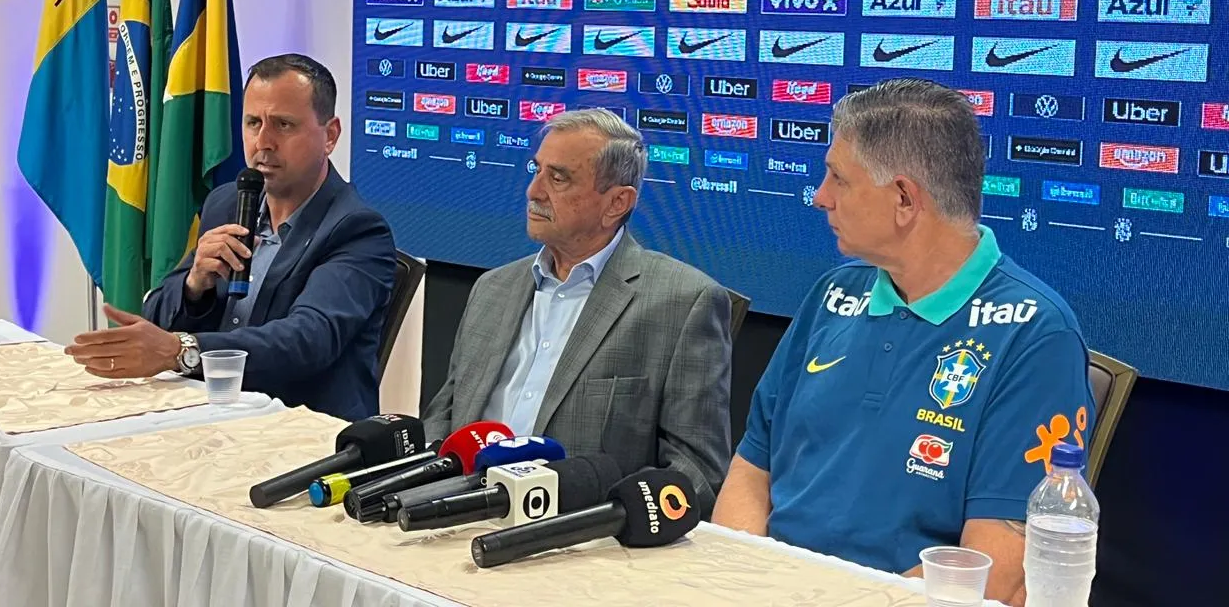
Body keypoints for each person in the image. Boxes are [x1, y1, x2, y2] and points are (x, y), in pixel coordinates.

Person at [712, 78, 1094, 605]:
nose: (820, 197)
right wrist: (738, 582)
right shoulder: (832, 293)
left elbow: (996, 572)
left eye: (838, 179)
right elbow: (752, 468)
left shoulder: (1035, 334)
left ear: (903, 198)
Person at [423, 108, 733, 514]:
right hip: (458, 512)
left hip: (578, 541)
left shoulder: (683, 304)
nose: (533, 191)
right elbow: (442, 420)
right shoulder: (492, 289)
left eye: (558, 178)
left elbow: (695, 476)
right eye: (536, 171)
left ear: (616, 203)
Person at [65, 54, 396, 421]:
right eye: (253, 122)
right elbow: (157, 315)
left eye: (284, 125)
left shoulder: (357, 229)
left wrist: (182, 350)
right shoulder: (229, 202)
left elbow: (306, 341)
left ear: (330, 135)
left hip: (300, 434)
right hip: (209, 415)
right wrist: (194, 286)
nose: (263, 142)